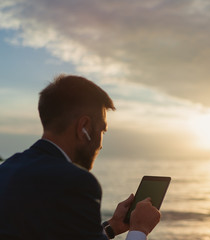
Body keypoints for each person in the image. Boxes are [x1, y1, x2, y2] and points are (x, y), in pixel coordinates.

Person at [0, 75, 161, 240]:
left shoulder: (6, 169)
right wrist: (139, 229)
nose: (101, 144)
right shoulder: (75, 182)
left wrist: (112, 226)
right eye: (102, 131)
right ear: (83, 127)